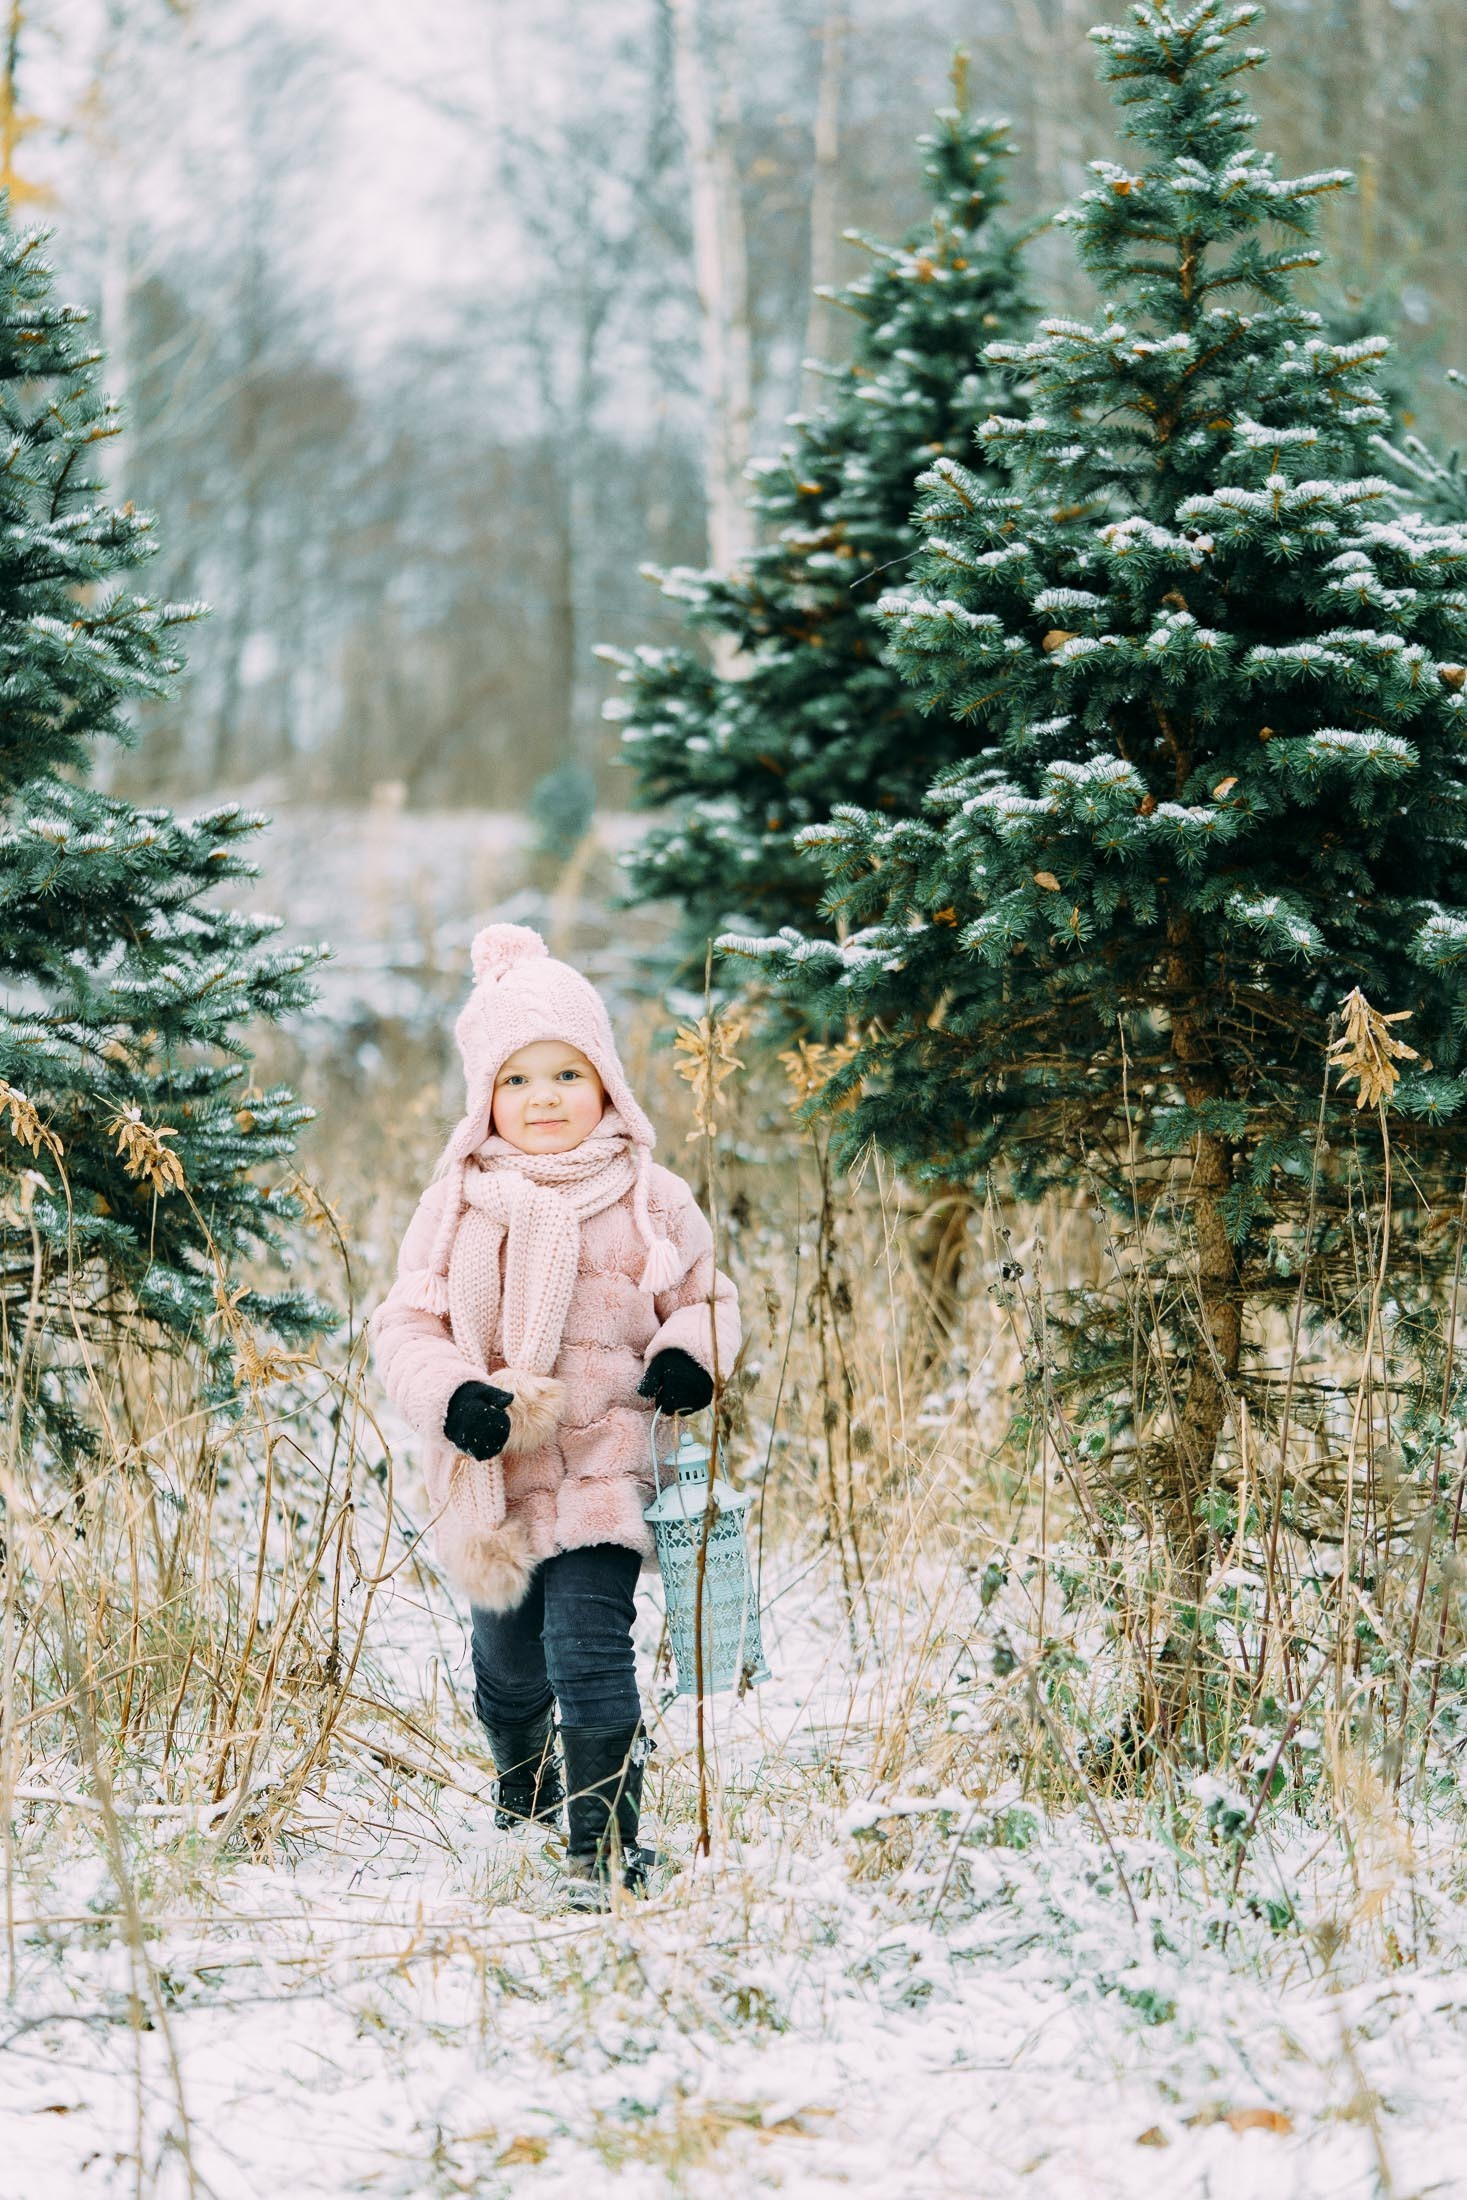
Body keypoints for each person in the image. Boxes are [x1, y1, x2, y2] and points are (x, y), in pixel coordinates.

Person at [370, 923, 739, 1902]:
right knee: (510, 1666)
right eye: (518, 1079)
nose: (544, 1098)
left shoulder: (651, 1196)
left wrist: (688, 1355)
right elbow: (406, 1325)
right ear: (485, 1095)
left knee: (590, 1649)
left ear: (606, 1081)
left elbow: (706, 1298)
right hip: (497, 1474)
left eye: (567, 1074)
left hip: (607, 1467)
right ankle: (523, 1781)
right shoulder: (458, 1204)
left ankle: (602, 1852)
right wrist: (455, 1395)